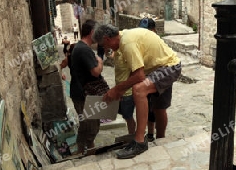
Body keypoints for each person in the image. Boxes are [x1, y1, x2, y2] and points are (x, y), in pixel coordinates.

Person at [94, 24, 181, 159]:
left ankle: (140, 142)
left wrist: (117, 89)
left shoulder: (127, 42)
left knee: (139, 90)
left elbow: (139, 76)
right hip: (162, 66)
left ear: (106, 39)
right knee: (159, 108)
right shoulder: (123, 36)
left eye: (103, 45)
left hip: (169, 67)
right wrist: (120, 90)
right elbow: (133, 73)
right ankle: (160, 141)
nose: (105, 48)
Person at [70, 20, 103, 155]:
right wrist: (100, 61)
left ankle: (82, 151)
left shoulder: (80, 48)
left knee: (86, 124)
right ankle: (87, 152)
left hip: (80, 92)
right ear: (92, 32)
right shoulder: (84, 49)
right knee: (91, 125)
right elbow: (95, 71)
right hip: (83, 94)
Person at [138, 18, 158, 142]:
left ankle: (151, 134)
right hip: (145, 77)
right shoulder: (141, 41)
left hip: (155, 78)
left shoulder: (157, 42)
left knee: (153, 108)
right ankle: (147, 134)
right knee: (146, 106)